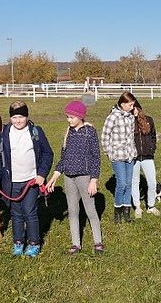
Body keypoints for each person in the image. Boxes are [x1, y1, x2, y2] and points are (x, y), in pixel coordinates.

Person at [0, 100, 54, 257]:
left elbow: (47, 153)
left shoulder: (35, 132)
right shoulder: (4, 135)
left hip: (30, 181)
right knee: (16, 213)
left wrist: (42, 174)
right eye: (15, 117)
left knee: (30, 212)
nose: (18, 121)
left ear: (27, 116)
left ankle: (34, 243)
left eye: (21, 117)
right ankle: (18, 241)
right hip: (11, 183)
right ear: (10, 118)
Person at [46, 100, 104, 254]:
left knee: (90, 210)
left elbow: (96, 158)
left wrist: (93, 180)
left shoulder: (90, 132)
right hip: (69, 178)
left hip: (84, 177)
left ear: (80, 117)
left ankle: (98, 241)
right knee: (73, 211)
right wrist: (54, 177)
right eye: (67, 117)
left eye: (71, 117)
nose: (68, 120)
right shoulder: (69, 133)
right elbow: (63, 158)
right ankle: (75, 243)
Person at [101, 92, 137, 223]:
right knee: (121, 183)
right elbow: (105, 136)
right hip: (117, 155)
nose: (132, 107)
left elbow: (131, 136)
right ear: (122, 104)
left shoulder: (131, 117)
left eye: (133, 105)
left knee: (128, 184)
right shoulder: (113, 117)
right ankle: (117, 212)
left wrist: (133, 151)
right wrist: (108, 152)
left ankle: (127, 213)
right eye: (130, 105)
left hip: (129, 155)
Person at [131, 100, 161, 218]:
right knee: (135, 182)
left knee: (152, 182)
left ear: (139, 108)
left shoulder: (149, 120)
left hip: (148, 156)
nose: (133, 111)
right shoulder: (128, 122)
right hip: (134, 157)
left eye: (135, 108)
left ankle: (151, 206)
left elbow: (153, 135)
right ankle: (137, 207)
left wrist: (152, 148)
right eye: (131, 108)